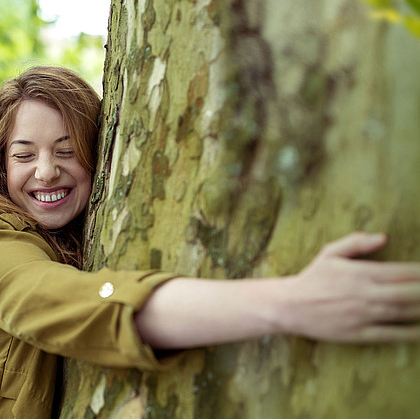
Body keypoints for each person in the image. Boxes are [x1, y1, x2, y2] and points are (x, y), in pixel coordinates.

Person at [1, 65, 420, 418]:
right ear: (2, 168)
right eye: (24, 155)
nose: (46, 171)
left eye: (67, 150)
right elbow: (64, 298)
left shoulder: (74, 238)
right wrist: (293, 302)